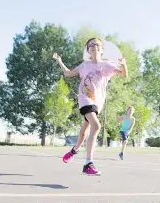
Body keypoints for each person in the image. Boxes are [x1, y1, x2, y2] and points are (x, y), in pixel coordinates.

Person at [53, 37, 128, 176]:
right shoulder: (84, 65)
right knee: (96, 126)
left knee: (84, 132)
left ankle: (74, 150)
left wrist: (123, 65)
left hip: (97, 103)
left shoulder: (107, 65)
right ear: (88, 50)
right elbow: (69, 73)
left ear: (102, 50)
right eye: (91, 45)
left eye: (97, 45)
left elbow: (124, 75)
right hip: (85, 99)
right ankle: (88, 163)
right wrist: (60, 61)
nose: (94, 46)